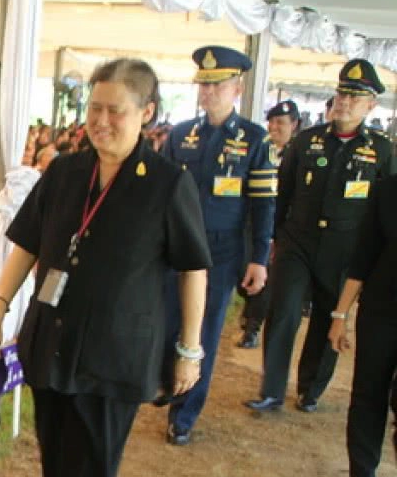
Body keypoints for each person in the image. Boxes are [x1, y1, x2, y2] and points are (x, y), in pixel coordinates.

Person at [0, 59, 209, 477]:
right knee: (56, 453)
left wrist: (191, 349)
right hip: (50, 340)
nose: (101, 122)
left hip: (117, 350)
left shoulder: (167, 183)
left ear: (147, 114)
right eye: (94, 108)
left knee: (93, 465)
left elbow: (194, 269)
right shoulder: (64, 171)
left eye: (115, 111)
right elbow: (23, 246)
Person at [247, 59, 395, 417]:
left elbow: (386, 208)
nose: (344, 102)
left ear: (371, 105)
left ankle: (311, 389)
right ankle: (272, 390)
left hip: (346, 249)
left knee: (330, 318)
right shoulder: (306, 141)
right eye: (342, 94)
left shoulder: (382, 149)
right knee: (283, 313)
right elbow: (283, 194)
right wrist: (273, 238)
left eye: (355, 97)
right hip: (298, 242)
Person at [161, 46, 274, 445]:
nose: (207, 93)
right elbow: (161, 194)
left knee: (204, 330)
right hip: (177, 246)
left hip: (221, 252)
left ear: (237, 89)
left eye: (217, 86)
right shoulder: (180, 135)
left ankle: (184, 414)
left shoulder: (255, 140)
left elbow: (262, 204)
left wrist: (259, 258)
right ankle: (167, 386)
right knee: (169, 320)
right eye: (203, 86)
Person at [327, 172, 397, 477]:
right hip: (383, 310)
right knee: (368, 394)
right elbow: (364, 256)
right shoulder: (388, 189)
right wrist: (340, 315)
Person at [237, 100, 300, 349]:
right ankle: (249, 314)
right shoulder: (257, 149)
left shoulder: (297, 154)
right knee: (246, 272)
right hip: (249, 223)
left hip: (277, 227)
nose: (274, 127)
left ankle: (252, 328)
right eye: (271, 122)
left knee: (264, 277)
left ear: (294, 126)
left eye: (281, 123)